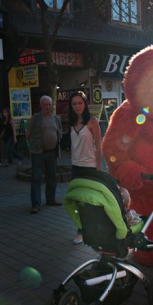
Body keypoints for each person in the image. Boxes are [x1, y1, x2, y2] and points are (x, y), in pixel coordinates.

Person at [67, 91, 102, 243]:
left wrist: (99, 168)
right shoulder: (71, 122)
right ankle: (81, 230)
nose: (77, 106)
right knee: (77, 201)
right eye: (74, 103)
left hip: (90, 166)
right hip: (76, 166)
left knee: (90, 200)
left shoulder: (92, 121)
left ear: (85, 104)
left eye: (80, 103)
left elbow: (99, 147)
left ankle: (91, 230)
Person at [26, 95, 63, 214]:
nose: (48, 107)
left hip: (52, 153)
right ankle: (35, 204)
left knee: (52, 177)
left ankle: (50, 199)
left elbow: (59, 132)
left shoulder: (56, 118)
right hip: (38, 153)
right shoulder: (36, 118)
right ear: (41, 106)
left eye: (49, 104)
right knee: (36, 178)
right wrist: (35, 143)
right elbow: (28, 133)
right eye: (45, 105)